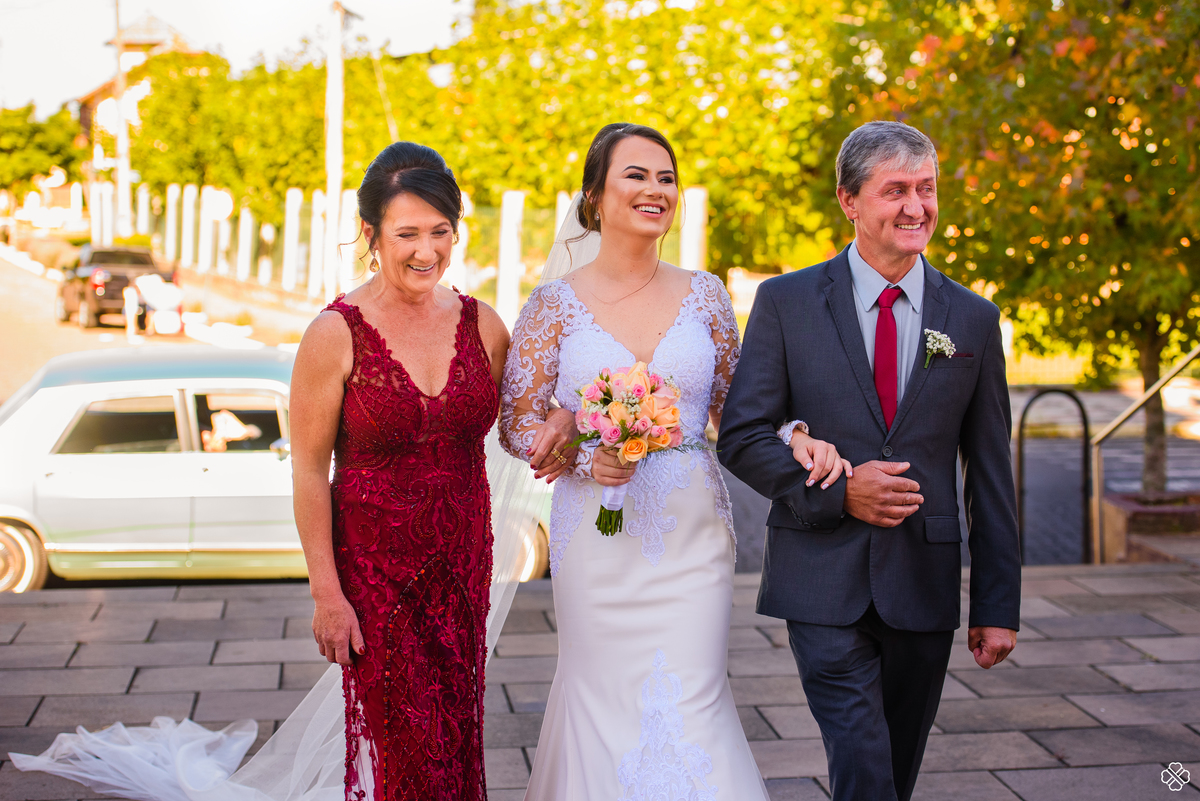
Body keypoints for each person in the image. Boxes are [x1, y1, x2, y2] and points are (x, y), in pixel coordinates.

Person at [499, 122, 849, 800]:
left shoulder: (707, 294)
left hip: (691, 531)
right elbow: (518, 424)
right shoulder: (552, 305)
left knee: (694, 695)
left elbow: (736, 407)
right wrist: (574, 439)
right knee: (599, 695)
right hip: (596, 532)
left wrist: (797, 433)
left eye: (666, 177)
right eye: (636, 174)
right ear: (595, 194)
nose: (656, 189)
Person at [717, 120, 1021, 801]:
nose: (917, 207)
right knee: (861, 753)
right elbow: (742, 434)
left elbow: (991, 473)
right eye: (896, 190)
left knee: (893, 768)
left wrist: (998, 603)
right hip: (821, 577)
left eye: (927, 189)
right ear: (849, 200)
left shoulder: (972, 318)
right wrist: (838, 493)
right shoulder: (786, 302)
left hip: (924, 580)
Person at [290, 140, 570, 799]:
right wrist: (327, 595)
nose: (427, 251)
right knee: (404, 746)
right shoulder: (334, 334)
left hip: (462, 567)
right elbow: (307, 469)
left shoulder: (485, 325)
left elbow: (518, 425)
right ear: (370, 233)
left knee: (457, 734)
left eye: (440, 231)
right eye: (407, 233)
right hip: (375, 575)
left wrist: (568, 421)